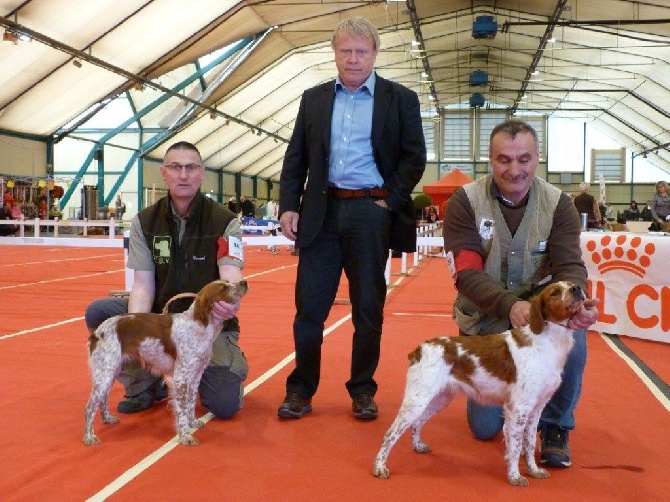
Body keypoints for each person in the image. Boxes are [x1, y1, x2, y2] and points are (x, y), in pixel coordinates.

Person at [277, 16, 426, 420]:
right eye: (346, 51)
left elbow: (416, 157)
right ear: (335, 53)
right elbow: (296, 159)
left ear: (375, 54)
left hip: (370, 213)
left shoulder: (401, 99)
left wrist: (388, 201)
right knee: (309, 309)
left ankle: (362, 389)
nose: (354, 59)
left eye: (361, 52)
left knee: (367, 309)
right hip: (320, 214)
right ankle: (301, 389)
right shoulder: (314, 98)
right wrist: (288, 205)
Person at [442, 120, 599, 469]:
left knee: (575, 334)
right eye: (504, 160)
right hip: (486, 316)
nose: (515, 170)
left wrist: (579, 302)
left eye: (524, 159)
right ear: (490, 160)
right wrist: (509, 305)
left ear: (537, 158)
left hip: (540, 312)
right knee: (484, 429)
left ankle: (556, 427)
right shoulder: (463, 203)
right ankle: (513, 402)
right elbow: (465, 273)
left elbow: (570, 266)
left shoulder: (560, 205)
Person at [84, 141, 248, 418]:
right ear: (163, 173)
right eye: (175, 167)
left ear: (201, 173)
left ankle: (214, 367)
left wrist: (229, 305)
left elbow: (231, 275)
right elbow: (142, 285)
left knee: (224, 404)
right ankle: (143, 385)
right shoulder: (144, 222)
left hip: (204, 322)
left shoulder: (225, 221)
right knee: (102, 312)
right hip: (161, 319)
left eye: (190, 167)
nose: (183, 175)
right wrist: (135, 329)